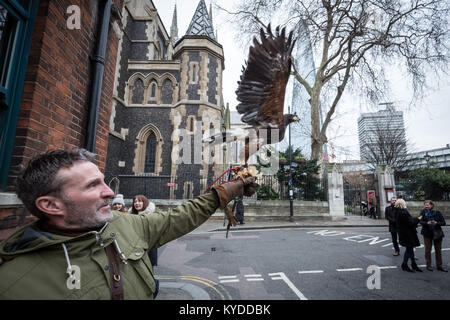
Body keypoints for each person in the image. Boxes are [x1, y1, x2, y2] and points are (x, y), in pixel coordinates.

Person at [0, 149, 258, 299]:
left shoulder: (126, 224)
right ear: (51, 205)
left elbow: (181, 217)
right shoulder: (14, 286)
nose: (109, 192)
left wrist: (226, 190)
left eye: (102, 181)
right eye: (92, 186)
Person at [419, 200, 448, 272]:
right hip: (427, 233)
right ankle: (428, 265)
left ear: (432, 205)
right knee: (428, 250)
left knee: (438, 250)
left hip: (437, 233)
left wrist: (436, 223)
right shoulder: (423, 212)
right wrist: (426, 223)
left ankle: (439, 266)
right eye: (425, 205)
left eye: (427, 205)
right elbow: (421, 221)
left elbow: (443, 223)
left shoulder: (437, 212)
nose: (426, 206)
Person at [129, 194, 158, 267]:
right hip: (134, 246)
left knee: (148, 266)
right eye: (135, 202)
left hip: (149, 246)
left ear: (144, 202)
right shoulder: (130, 216)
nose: (137, 203)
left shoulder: (151, 215)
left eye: (140, 201)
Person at [395, 198, 422, 272]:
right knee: (409, 249)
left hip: (404, 233)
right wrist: (418, 219)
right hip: (407, 234)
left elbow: (407, 220)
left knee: (410, 249)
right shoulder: (403, 212)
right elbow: (410, 222)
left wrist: (414, 219)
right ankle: (405, 265)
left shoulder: (398, 211)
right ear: (403, 204)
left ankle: (413, 264)